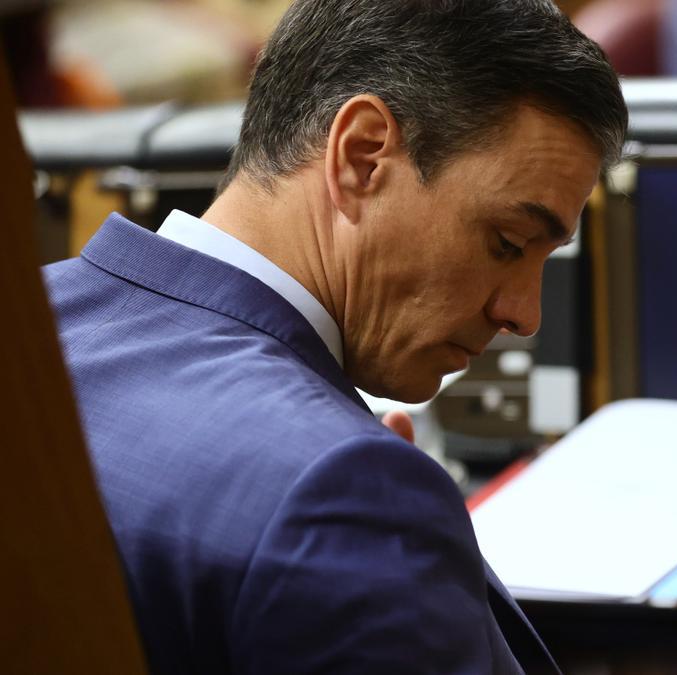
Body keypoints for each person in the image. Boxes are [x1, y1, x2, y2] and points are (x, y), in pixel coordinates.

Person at [42, 0, 627, 672]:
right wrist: (395, 536)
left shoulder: (31, 334)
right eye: (509, 241)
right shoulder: (347, 492)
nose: (525, 314)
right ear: (362, 156)